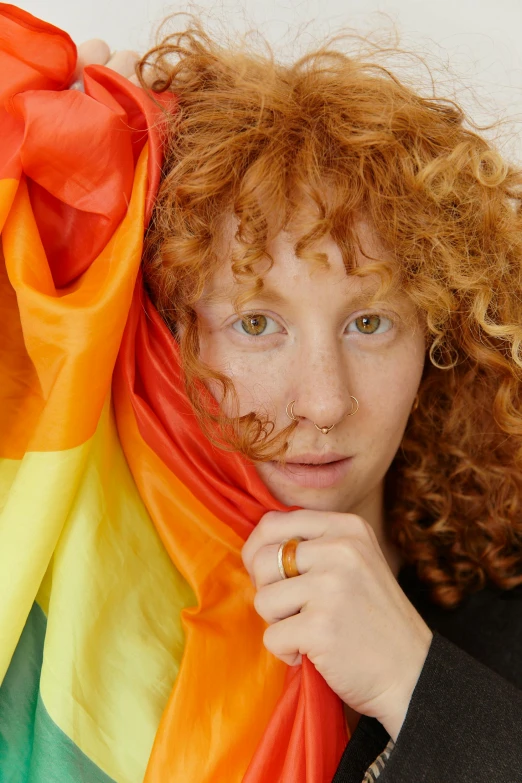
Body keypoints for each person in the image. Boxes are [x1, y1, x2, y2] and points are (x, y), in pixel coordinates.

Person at [1, 4, 522, 782]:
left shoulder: (506, 613)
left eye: (371, 322)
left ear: (438, 337)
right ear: (168, 330)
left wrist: (416, 687)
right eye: (255, 323)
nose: (322, 402)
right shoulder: (69, 619)